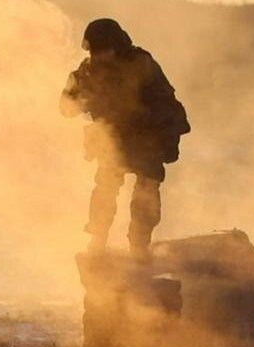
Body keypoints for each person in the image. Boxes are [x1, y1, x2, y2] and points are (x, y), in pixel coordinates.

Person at [61, 18, 190, 261]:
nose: (98, 56)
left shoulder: (141, 65)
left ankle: (139, 246)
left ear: (116, 46)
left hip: (146, 138)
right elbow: (66, 107)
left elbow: (167, 104)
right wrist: (81, 98)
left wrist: (159, 131)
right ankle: (97, 241)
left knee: (146, 191)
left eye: (103, 50)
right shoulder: (87, 71)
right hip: (112, 139)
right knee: (105, 189)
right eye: (94, 51)